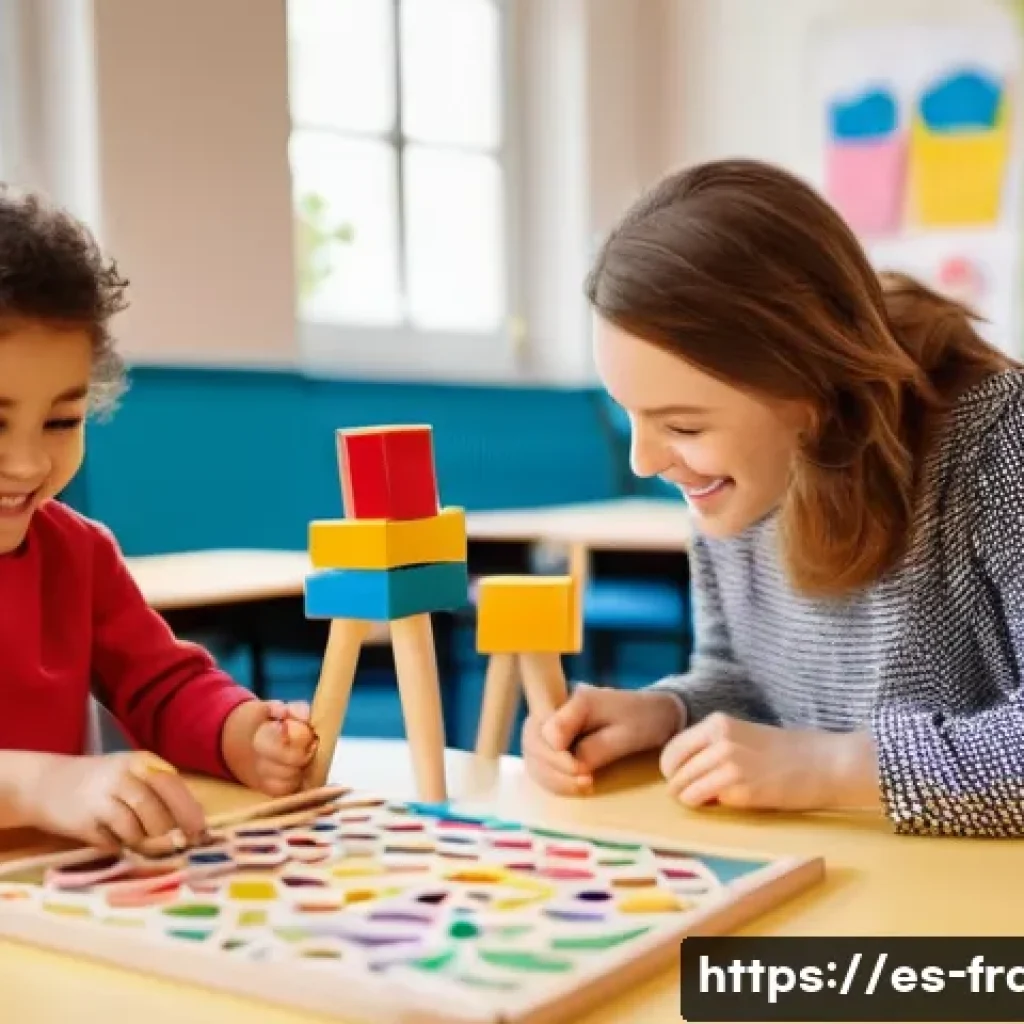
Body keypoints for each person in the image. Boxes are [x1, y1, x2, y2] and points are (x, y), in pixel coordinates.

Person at [522, 158, 1024, 838]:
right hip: (844, 876)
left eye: (682, 425)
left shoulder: (997, 440)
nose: (645, 461)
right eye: (629, 416)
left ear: (808, 386)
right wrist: (668, 713)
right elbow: (745, 682)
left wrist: (831, 769)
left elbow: (804, 759)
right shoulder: (729, 480)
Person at [0, 186, 318, 851]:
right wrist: (38, 786)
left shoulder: (76, 553)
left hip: (52, 900)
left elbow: (161, 685)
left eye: (61, 421)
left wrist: (243, 735)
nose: (28, 464)